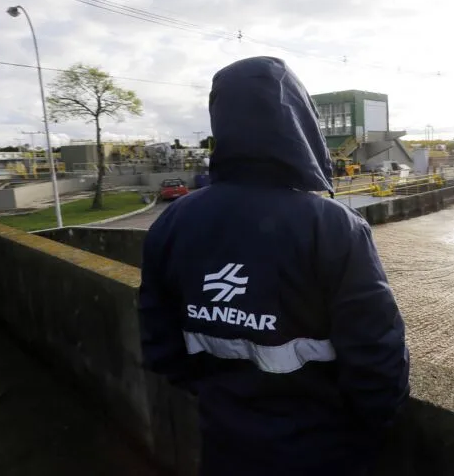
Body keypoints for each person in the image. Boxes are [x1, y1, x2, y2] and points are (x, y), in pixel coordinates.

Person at [138, 56, 410, 475]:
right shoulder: (333, 228)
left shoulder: (172, 224)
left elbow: (160, 349)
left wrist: (226, 403)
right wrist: (365, 432)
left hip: (223, 449)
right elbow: (377, 358)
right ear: (300, 122)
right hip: (323, 454)